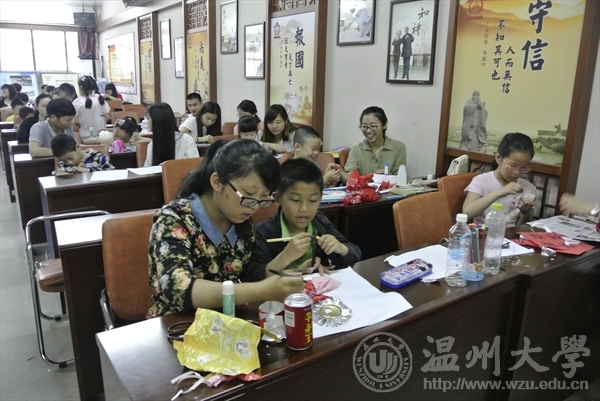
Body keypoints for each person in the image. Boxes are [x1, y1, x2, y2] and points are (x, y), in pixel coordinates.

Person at [146, 139, 304, 317]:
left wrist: (284, 264)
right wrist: (263, 290)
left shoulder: (240, 223)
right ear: (216, 182)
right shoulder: (174, 219)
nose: (254, 207)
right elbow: (177, 289)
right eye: (249, 194)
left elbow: (249, 278)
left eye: (264, 197)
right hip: (176, 323)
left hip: (225, 321)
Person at [248, 158, 361, 277]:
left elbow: (355, 253)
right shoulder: (265, 232)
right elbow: (253, 275)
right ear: (277, 198)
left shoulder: (319, 222)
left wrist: (341, 248)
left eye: (313, 200)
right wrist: (286, 256)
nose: (304, 209)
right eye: (295, 200)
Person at [463, 132, 536, 227]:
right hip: (483, 233)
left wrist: (526, 214)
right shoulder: (481, 181)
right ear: (498, 158)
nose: (517, 172)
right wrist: (500, 192)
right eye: (512, 166)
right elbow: (467, 212)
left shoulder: (528, 188)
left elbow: (522, 229)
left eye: (524, 168)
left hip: (510, 235)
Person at [341, 106, 407, 182]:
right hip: (364, 189)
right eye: (364, 127)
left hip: (390, 189)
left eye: (373, 126)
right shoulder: (356, 150)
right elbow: (350, 177)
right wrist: (340, 173)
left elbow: (400, 179)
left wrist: (388, 176)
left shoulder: (398, 148)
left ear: (384, 125)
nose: (368, 131)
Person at [144, 102, 199, 166]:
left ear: (157, 121)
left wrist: (169, 167)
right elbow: (147, 169)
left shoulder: (186, 140)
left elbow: (195, 166)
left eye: (148, 118)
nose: (147, 122)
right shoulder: (152, 144)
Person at [50, 134, 114, 176]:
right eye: (64, 161)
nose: (69, 162)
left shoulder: (98, 157)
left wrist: (89, 171)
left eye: (70, 158)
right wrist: (57, 175)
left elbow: (111, 174)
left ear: (77, 147)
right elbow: (51, 178)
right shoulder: (62, 165)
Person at [73, 76, 110, 140]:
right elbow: (107, 118)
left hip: (85, 137)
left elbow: (76, 121)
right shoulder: (100, 98)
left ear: (81, 87)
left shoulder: (77, 102)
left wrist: (84, 126)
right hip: (101, 135)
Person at [83, 116, 150, 150]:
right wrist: (100, 140)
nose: (118, 139)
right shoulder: (108, 136)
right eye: (116, 135)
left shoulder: (133, 137)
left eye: (123, 139)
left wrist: (129, 143)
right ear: (114, 128)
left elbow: (149, 140)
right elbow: (85, 141)